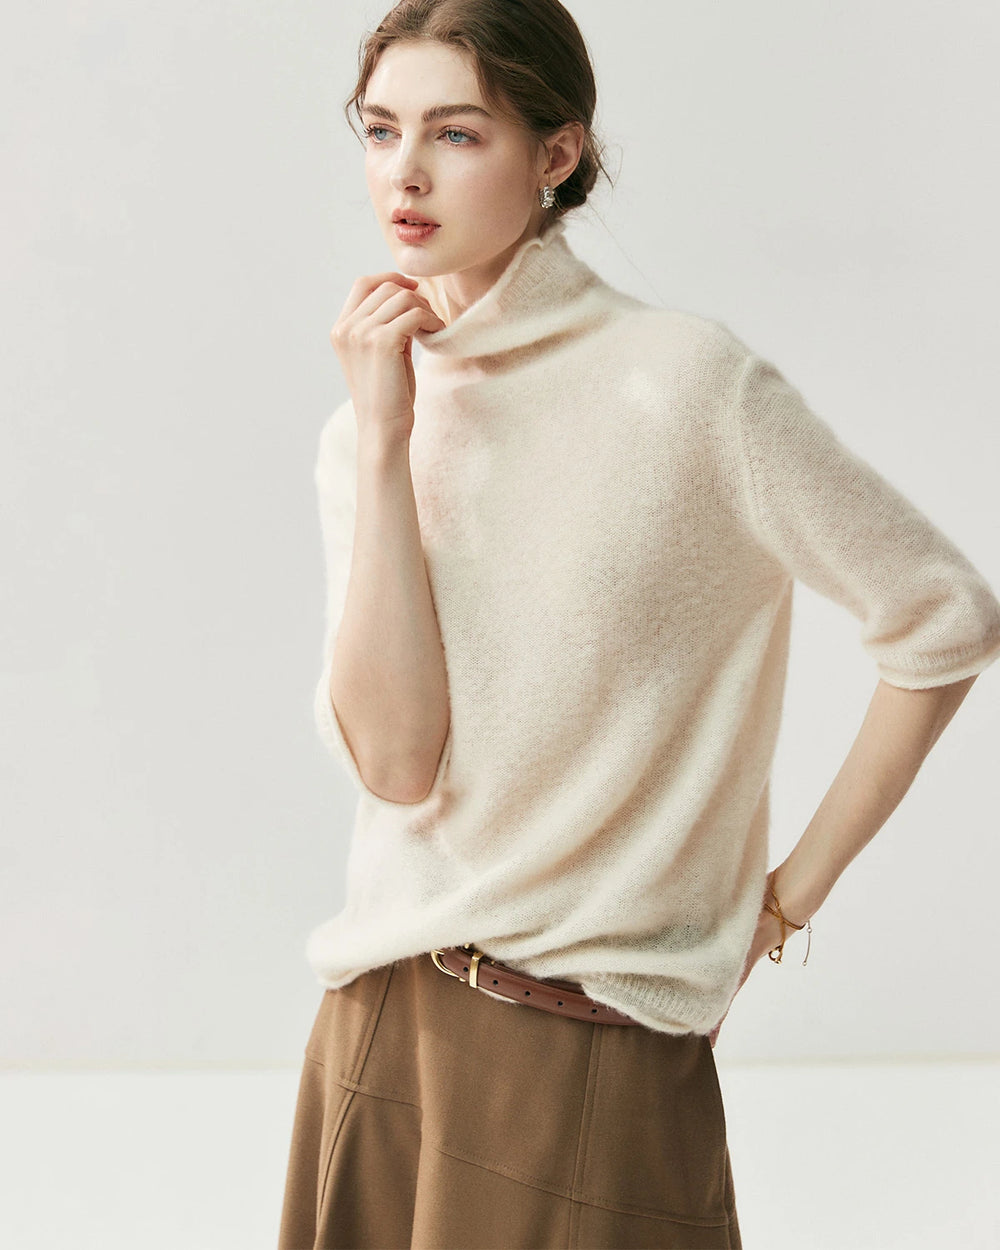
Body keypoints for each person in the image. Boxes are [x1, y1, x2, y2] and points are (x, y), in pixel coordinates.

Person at [278, 3, 1000, 1248]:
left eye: (456, 132)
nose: (405, 171)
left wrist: (782, 901)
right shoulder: (367, 425)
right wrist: (388, 436)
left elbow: (941, 616)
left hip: (585, 1040)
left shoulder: (685, 385)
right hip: (376, 1021)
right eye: (382, 129)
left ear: (555, 154)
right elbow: (396, 761)